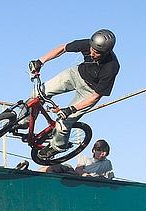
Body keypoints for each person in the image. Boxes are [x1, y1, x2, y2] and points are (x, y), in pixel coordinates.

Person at [28, 29, 120, 159]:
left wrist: (71, 109)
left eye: (97, 53)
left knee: (63, 121)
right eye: (92, 49)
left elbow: (96, 96)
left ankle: (57, 147)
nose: (92, 53)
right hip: (76, 74)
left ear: (106, 52)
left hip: (89, 92)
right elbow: (63, 48)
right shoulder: (88, 44)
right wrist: (40, 61)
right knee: (39, 92)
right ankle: (27, 119)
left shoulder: (111, 67)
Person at [39, 139, 115, 179]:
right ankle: (33, 172)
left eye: (104, 151)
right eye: (99, 150)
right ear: (94, 150)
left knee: (54, 173)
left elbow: (109, 176)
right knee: (58, 167)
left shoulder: (107, 163)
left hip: (82, 179)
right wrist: (85, 175)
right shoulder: (85, 158)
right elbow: (78, 169)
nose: (102, 153)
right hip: (76, 175)